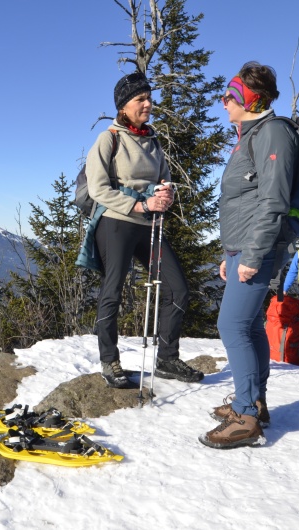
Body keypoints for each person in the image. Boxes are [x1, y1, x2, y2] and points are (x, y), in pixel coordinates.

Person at [200, 61, 299, 449]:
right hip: (246, 246)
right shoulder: (253, 134)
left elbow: (273, 203)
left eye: (230, 95)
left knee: (232, 326)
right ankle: (255, 403)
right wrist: (233, 252)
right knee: (252, 326)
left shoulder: (273, 134)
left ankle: (245, 416)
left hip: (260, 248)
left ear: (249, 99)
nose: (224, 102)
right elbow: (247, 200)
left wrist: (253, 255)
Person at [83, 71, 203, 388]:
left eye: (149, 98)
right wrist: (139, 205)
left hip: (147, 223)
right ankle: (110, 362)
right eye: (141, 99)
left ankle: (166, 359)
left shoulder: (152, 141)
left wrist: (166, 195)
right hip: (116, 222)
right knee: (113, 290)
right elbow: (97, 189)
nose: (148, 103)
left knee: (177, 288)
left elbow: (164, 180)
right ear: (124, 105)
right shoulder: (109, 139)